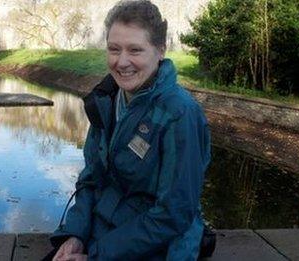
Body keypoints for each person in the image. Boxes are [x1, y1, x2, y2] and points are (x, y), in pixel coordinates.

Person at [48, 1, 211, 260]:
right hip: (103, 235)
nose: (122, 62)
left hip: (158, 249)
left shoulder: (180, 114)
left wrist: (98, 256)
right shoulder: (106, 99)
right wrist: (75, 234)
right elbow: (92, 177)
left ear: (160, 50)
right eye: (114, 49)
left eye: (135, 50)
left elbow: (173, 214)